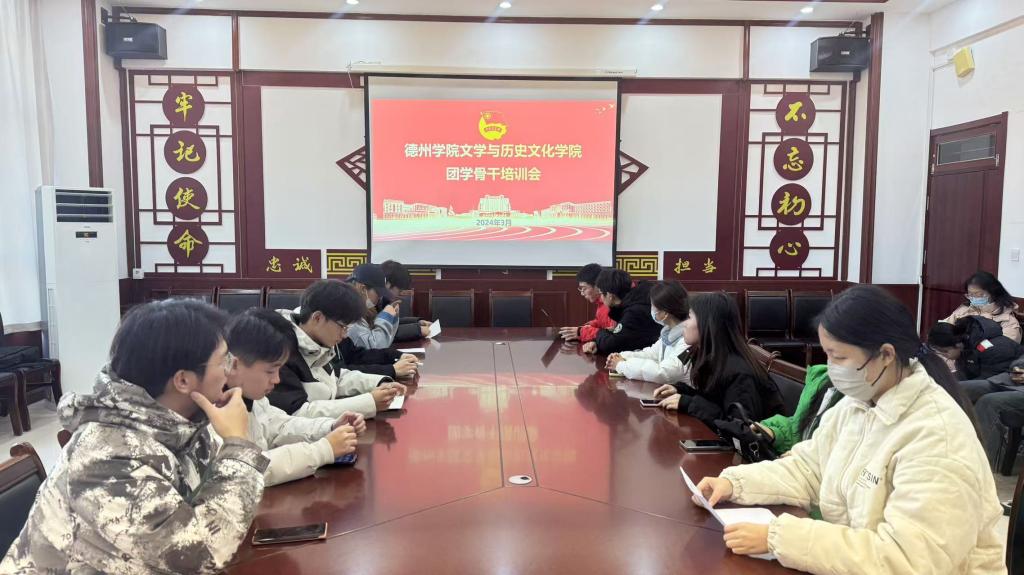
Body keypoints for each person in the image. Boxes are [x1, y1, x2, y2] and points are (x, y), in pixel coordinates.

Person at [690, 285, 1005, 574]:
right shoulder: (859, 403)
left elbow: (909, 560)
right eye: (827, 354)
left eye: (838, 357)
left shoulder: (936, 436)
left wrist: (780, 538)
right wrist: (734, 483)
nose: (831, 368)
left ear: (886, 354)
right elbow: (809, 468)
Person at [1, 300, 268, 574]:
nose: (230, 370)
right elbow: (199, 555)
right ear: (183, 381)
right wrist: (239, 445)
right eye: (224, 360)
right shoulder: (105, 459)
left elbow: (213, 502)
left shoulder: (180, 425)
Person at [223, 308, 368, 486]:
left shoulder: (250, 396)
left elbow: (279, 426)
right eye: (270, 371)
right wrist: (322, 450)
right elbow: (249, 469)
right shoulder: (213, 411)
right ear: (234, 365)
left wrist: (330, 426)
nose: (277, 379)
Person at [268, 279, 404, 420]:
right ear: (318, 318)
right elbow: (298, 413)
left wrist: (380, 383)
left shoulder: (316, 342)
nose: (344, 335)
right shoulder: (279, 350)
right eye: (343, 327)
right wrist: (369, 403)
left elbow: (336, 379)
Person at [652, 292, 784, 425]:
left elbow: (740, 427)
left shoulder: (739, 374)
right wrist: (682, 391)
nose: (684, 324)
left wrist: (690, 404)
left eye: (689, 317)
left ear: (708, 324)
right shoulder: (711, 358)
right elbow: (715, 401)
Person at [605, 281, 691, 384]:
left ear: (665, 312)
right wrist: (623, 356)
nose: (651, 310)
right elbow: (651, 354)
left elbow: (663, 373)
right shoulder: (668, 332)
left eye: (653, 306)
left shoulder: (688, 340)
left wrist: (621, 365)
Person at [754, 365, 840, 454]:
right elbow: (797, 429)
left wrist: (801, 456)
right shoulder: (822, 379)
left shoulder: (848, 400)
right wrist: (774, 433)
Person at [582, 269, 661, 355]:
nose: (600, 298)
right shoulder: (638, 298)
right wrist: (597, 342)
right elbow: (623, 337)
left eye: (601, 293)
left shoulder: (634, 312)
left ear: (610, 295)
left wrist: (600, 332)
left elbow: (611, 345)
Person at [928, 316, 1021, 380]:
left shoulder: (992, 348)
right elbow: (964, 375)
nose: (944, 356)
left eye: (944, 351)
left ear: (958, 345)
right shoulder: (966, 345)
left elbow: (989, 382)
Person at [943, 270, 1021, 343]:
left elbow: (1005, 346)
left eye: (978, 295)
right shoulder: (964, 310)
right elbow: (942, 330)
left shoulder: (1007, 319)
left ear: (993, 293)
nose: (974, 298)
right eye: (970, 295)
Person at [346, 263, 400, 349]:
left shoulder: (359, 308)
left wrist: (392, 318)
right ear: (363, 289)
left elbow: (384, 342)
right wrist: (386, 317)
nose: (380, 298)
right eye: (378, 293)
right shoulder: (348, 312)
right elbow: (375, 347)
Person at [559, 263, 616, 343]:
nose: (582, 293)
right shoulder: (601, 302)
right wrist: (588, 326)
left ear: (597, 286)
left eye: (584, 288)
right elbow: (602, 321)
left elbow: (612, 334)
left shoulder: (612, 302)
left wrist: (582, 332)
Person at [380, 259, 432, 342]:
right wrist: (418, 330)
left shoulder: (383, 299)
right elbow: (382, 333)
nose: (400, 294)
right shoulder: (371, 302)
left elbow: (391, 324)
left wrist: (418, 322)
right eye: (400, 290)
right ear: (388, 284)